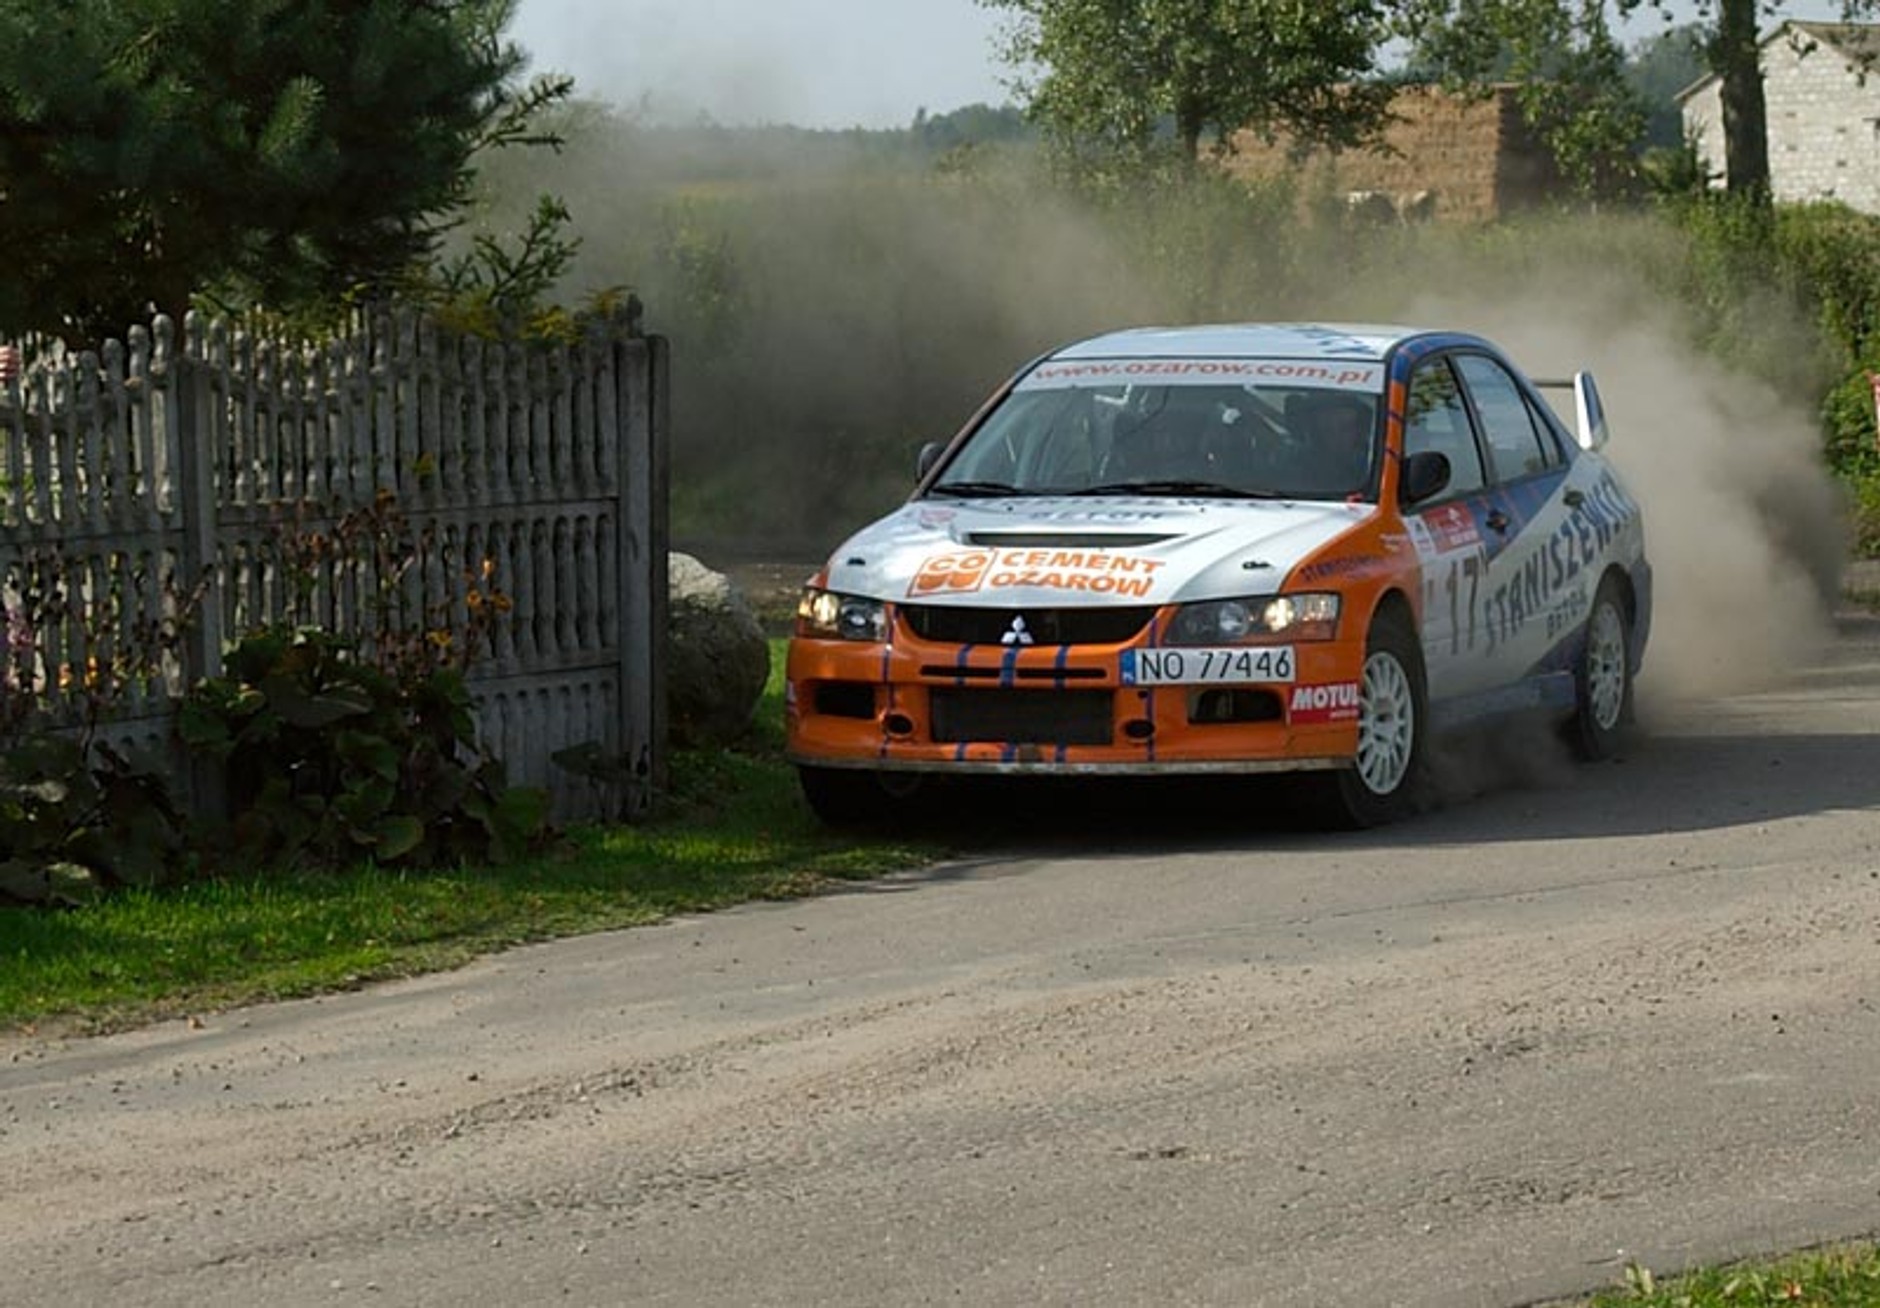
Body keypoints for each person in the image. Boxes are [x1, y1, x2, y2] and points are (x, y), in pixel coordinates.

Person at [1292, 392, 1375, 493]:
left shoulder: (1374, 466)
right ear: (1315, 431)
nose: (1336, 435)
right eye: (1327, 429)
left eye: (1345, 427)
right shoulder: (1294, 466)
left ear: (1360, 431)